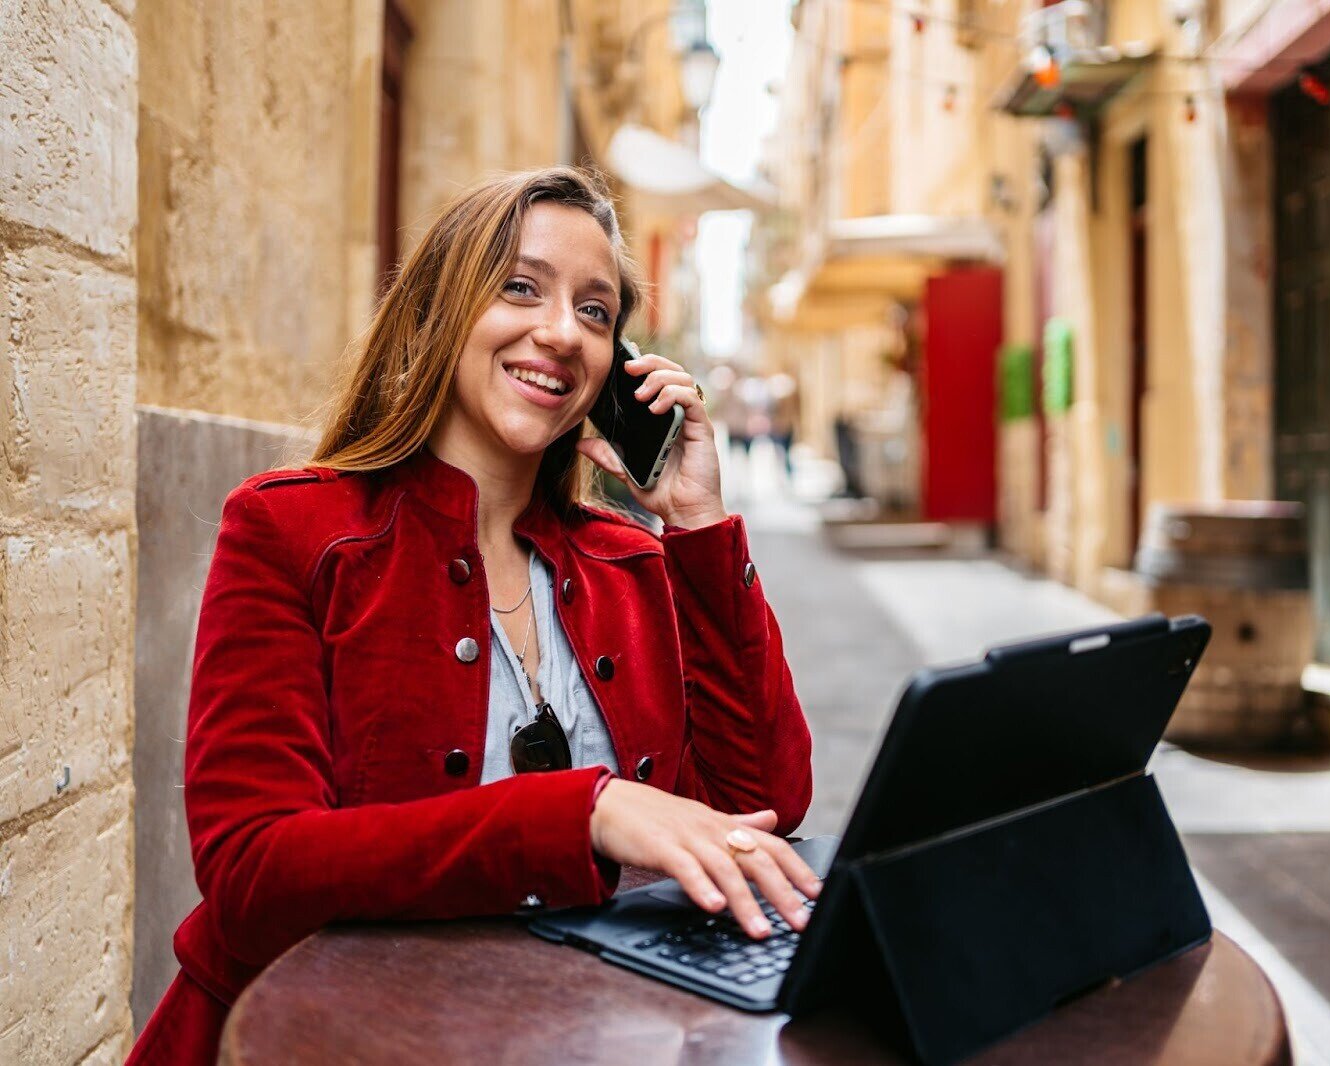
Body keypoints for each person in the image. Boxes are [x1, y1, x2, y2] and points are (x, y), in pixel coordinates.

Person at [127, 168, 816, 1064]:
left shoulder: (632, 563)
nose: (561, 332)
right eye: (521, 288)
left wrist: (696, 526)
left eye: (596, 311)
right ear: (439, 311)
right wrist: (585, 813)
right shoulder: (292, 529)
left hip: (577, 1035)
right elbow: (253, 871)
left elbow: (763, 807)